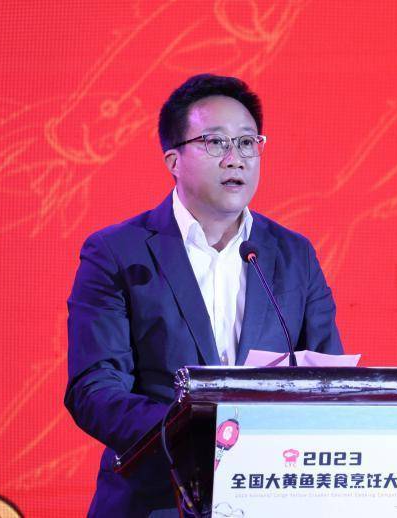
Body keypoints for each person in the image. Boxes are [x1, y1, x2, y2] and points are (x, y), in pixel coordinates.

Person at [65, 74, 343, 517]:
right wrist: (197, 435)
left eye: (247, 143)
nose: (236, 159)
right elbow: (94, 389)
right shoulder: (117, 252)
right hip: (155, 500)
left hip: (270, 497)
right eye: (216, 143)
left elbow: (329, 380)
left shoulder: (294, 254)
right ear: (173, 160)